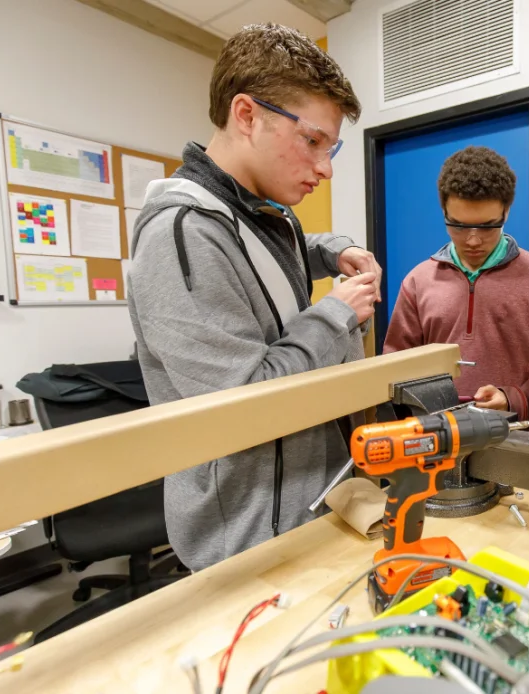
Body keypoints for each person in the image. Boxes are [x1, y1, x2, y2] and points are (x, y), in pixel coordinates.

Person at [127, 24, 382, 571]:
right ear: (247, 115)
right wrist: (337, 315)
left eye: (330, 147)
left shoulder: (263, 211)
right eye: (312, 141)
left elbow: (272, 253)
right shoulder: (182, 237)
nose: (325, 167)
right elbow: (247, 402)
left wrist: (334, 250)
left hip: (312, 502)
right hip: (246, 537)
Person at [384, 146, 529, 424]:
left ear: (506, 211)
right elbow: (396, 367)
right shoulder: (418, 281)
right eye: (458, 226)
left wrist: (511, 399)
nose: (473, 240)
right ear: (443, 210)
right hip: (437, 439)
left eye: (488, 226)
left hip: (517, 440)